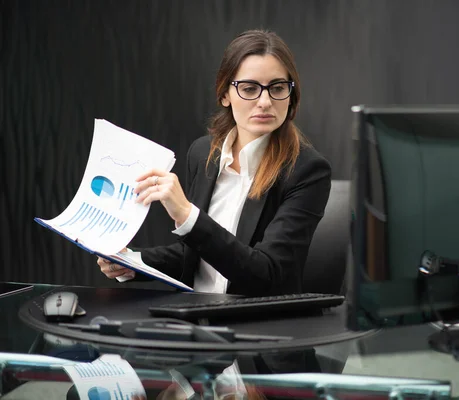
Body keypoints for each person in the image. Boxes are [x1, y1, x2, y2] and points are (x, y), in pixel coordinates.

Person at [97, 29, 332, 296]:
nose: (265, 102)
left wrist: (187, 215)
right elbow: (197, 255)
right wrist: (132, 262)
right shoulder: (203, 153)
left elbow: (268, 275)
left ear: (291, 95)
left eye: (277, 88)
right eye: (249, 88)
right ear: (225, 95)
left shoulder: (307, 170)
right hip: (196, 318)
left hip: (259, 327)